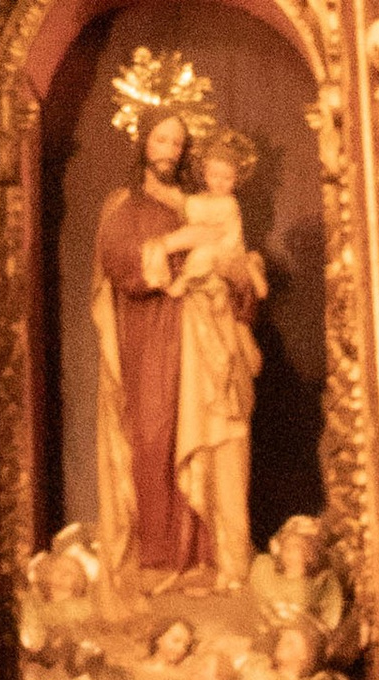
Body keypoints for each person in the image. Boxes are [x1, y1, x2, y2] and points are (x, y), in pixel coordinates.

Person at [94, 110, 208, 581]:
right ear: (143, 143)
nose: (169, 151)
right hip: (148, 333)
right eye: (161, 140)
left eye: (177, 143)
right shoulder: (126, 204)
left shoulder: (195, 202)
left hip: (200, 331)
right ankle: (156, 556)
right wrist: (174, 247)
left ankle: (202, 558)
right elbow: (121, 263)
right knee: (154, 432)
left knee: (200, 435)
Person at [156, 131, 267, 588]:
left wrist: (232, 284)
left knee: (230, 465)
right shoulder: (197, 298)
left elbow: (241, 278)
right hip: (204, 382)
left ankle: (235, 566)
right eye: (214, 174)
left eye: (228, 176)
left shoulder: (227, 222)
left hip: (226, 385)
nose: (220, 182)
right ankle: (219, 563)